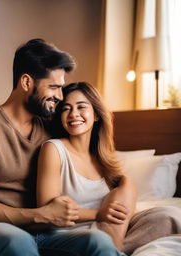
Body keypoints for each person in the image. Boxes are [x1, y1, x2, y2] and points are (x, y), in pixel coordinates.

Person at [0, 39, 134, 256]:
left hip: (44, 231)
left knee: (97, 241)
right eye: (54, 87)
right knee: (18, 241)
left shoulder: (51, 125)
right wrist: (41, 215)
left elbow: (94, 157)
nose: (60, 96)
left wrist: (122, 188)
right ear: (26, 82)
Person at [37, 82, 137, 252]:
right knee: (99, 240)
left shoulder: (102, 157)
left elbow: (121, 205)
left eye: (81, 107)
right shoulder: (53, 149)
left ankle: (114, 247)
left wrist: (126, 183)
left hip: (103, 230)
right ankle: (113, 247)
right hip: (64, 235)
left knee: (165, 216)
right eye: (66, 109)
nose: (73, 114)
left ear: (96, 115)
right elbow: (48, 210)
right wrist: (99, 214)